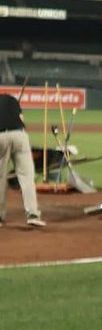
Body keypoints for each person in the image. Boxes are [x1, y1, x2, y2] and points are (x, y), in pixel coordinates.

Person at [0, 89, 45, 227]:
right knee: (27, 177)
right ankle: (32, 214)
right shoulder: (11, 99)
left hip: (1, 137)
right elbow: (21, 119)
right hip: (20, 136)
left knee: (0, 178)